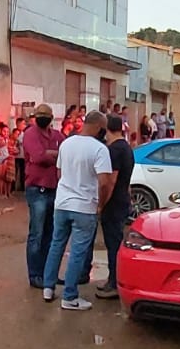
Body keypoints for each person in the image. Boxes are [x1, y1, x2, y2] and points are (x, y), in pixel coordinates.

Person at [41, 111, 114, 311]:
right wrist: (101, 204)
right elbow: (105, 182)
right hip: (84, 206)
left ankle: (48, 287)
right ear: (100, 127)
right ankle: (70, 296)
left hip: (62, 203)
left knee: (56, 245)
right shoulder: (100, 149)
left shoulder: (66, 143)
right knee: (77, 252)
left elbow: (59, 172)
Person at [22, 104, 65, 288]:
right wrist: (56, 156)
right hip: (36, 189)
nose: (42, 118)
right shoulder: (31, 133)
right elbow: (38, 156)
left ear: (51, 118)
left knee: (51, 234)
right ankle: (35, 275)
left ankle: (49, 274)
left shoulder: (57, 135)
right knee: (36, 234)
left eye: (45, 115)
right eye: (39, 115)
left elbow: (66, 153)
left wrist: (51, 155)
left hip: (54, 188)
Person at [94, 115, 135, 300]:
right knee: (116, 241)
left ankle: (114, 282)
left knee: (113, 244)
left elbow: (110, 181)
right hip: (122, 200)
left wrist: (101, 204)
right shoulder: (126, 147)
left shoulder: (114, 150)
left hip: (114, 202)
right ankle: (115, 279)